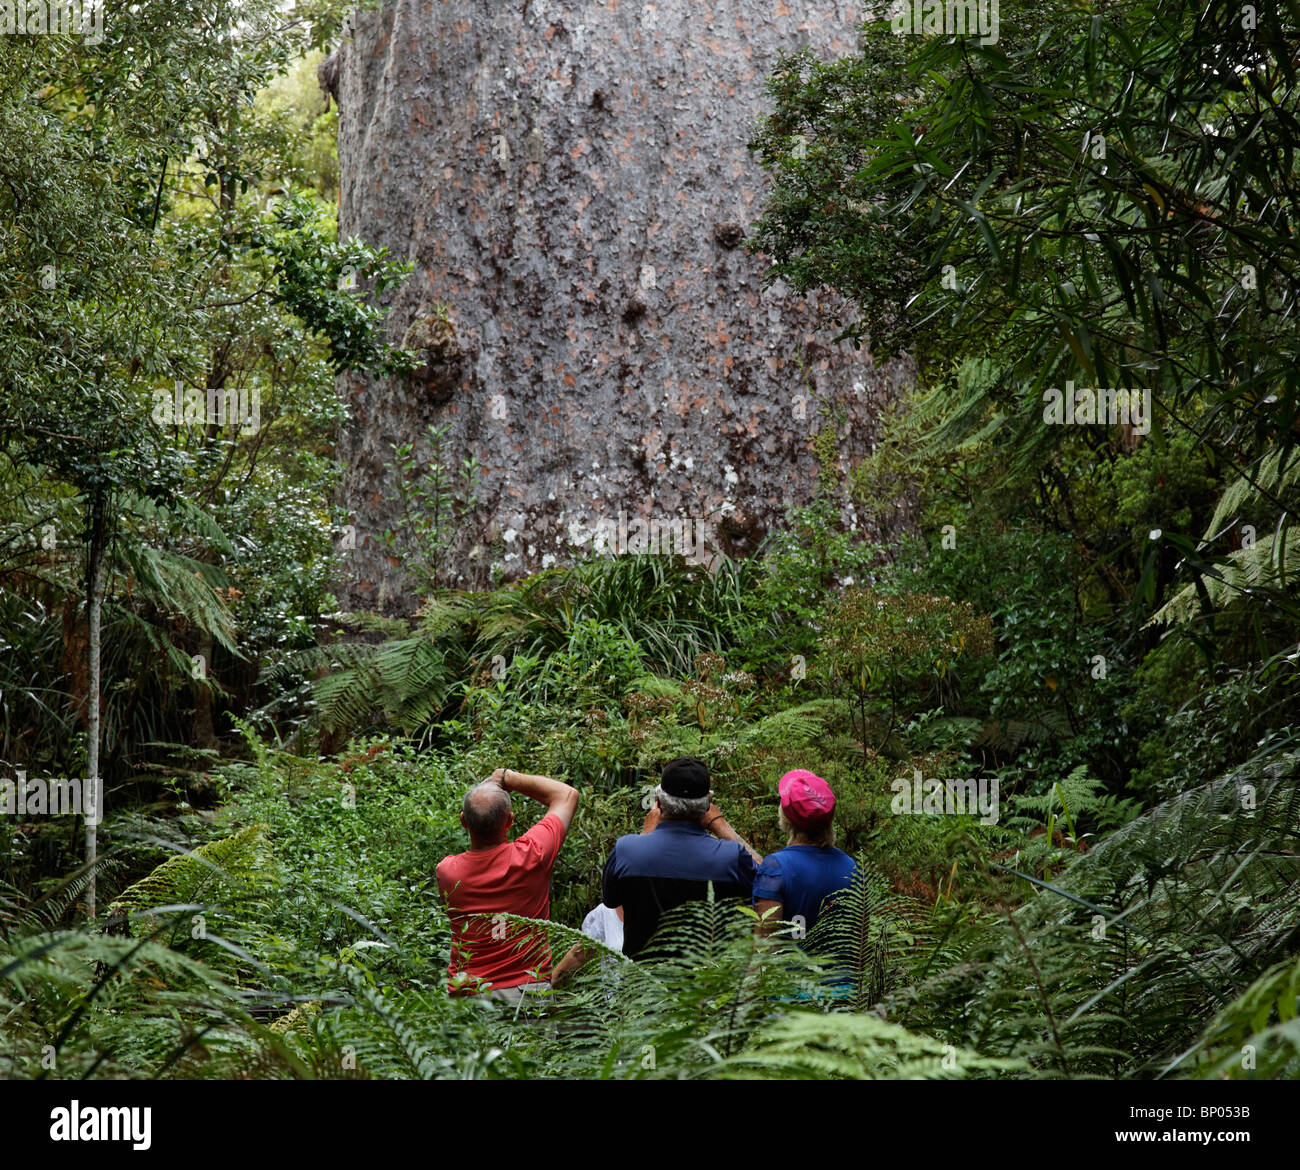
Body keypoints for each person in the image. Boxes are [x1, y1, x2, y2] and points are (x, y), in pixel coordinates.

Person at [435, 766, 579, 1005]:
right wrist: (507, 777)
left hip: (469, 997)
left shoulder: (447, 872)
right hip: (526, 996)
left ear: (463, 822)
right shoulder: (532, 856)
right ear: (510, 821)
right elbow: (567, 795)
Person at [601, 756, 761, 959]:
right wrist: (721, 826)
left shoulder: (627, 850)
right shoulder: (731, 858)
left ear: (658, 801)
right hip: (709, 982)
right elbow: (769, 886)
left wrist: (645, 836)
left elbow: (610, 900)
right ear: (708, 803)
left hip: (643, 984)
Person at [753, 769, 856, 944]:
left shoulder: (776, 867)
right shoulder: (853, 867)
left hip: (793, 971)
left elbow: (764, 948)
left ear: (786, 819)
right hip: (844, 972)